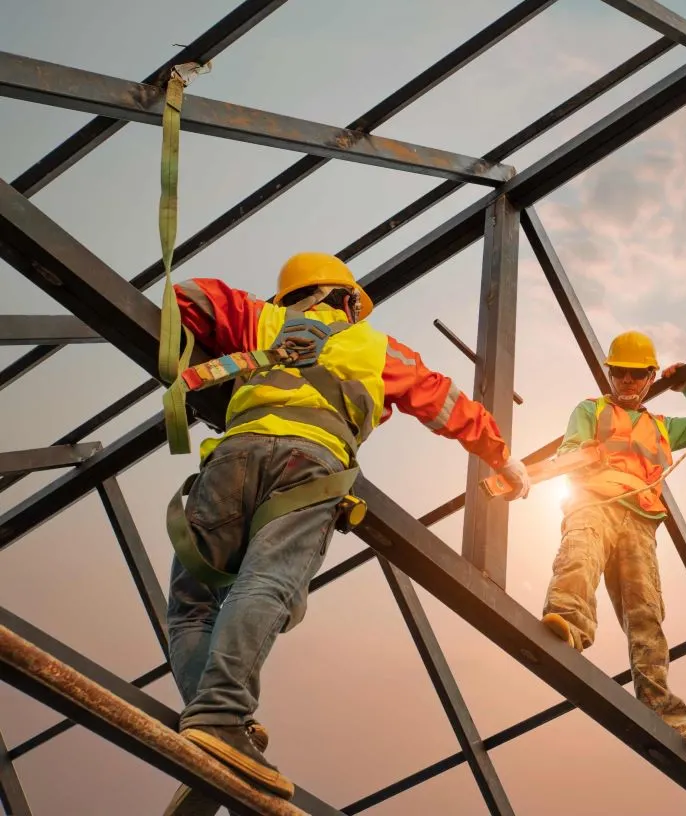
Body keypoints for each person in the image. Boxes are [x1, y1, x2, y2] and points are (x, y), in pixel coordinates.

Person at [160, 252, 530, 813]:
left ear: (291, 295)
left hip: (232, 458)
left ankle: (216, 720)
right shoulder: (377, 348)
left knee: (191, 606)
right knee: (267, 581)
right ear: (349, 301)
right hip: (311, 468)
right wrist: (504, 460)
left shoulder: (261, 319)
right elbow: (448, 404)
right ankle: (220, 717)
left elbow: (187, 296)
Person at [539, 330, 686, 751]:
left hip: (640, 520)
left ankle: (666, 713)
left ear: (648, 379)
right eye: (619, 374)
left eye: (635, 376)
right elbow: (572, 447)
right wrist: (585, 452)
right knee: (579, 557)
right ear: (611, 375)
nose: (626, 382)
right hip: (593, 502)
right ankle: (568, 624)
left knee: (646, 613)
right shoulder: (590, 409)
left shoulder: (661, 427)